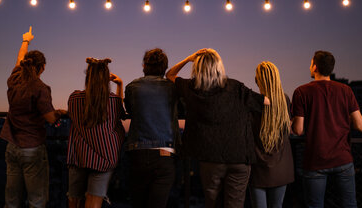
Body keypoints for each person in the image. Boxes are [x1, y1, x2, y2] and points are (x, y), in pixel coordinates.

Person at [166, 48, 270, 208]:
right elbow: (266, 103)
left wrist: (188, 59)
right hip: (239, 156)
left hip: (210, 158)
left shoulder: (192, 88)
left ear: (198, 68)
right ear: (219, 66)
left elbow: (170, 75)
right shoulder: (236, 87)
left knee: (212, 203)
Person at [0, 26, 67, 208]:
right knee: (36, 200)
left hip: (11, 146)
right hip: (31, 147)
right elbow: (51, 119)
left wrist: (25, 41)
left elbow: (19, 58)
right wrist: (61, 113)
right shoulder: (40, 88)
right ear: (42, 67)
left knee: (11, 200)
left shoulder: (14, 78)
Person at [291, 51, 362, 208]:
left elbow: (298, 130)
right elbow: (361, 125)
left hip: (315, 161)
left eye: (311, 64)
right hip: (342, 159)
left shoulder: (301, 92)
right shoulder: (346, 90)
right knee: (349, 205)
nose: (310, 67)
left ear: (315, 67)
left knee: (315, 205)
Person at [124, 48, 181, 208]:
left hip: (138, 152)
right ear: (164, 67)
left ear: (144, 66)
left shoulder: (132, 87)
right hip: (165, 153)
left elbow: (130, 109)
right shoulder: (172, 88)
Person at [67, 58, 125, 208]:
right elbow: (120, 115)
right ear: (107, 79)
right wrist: (120, 85)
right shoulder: (114, 101)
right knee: (94, 201)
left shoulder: (74, 98)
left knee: (74, 200)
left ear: (88, 77)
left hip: (79, 156)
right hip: (106, 158)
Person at [249, 62, 294, 208]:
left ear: (258, 80)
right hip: (281, 166)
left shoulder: (253, 102)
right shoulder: (284, 100)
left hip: (258, 166)